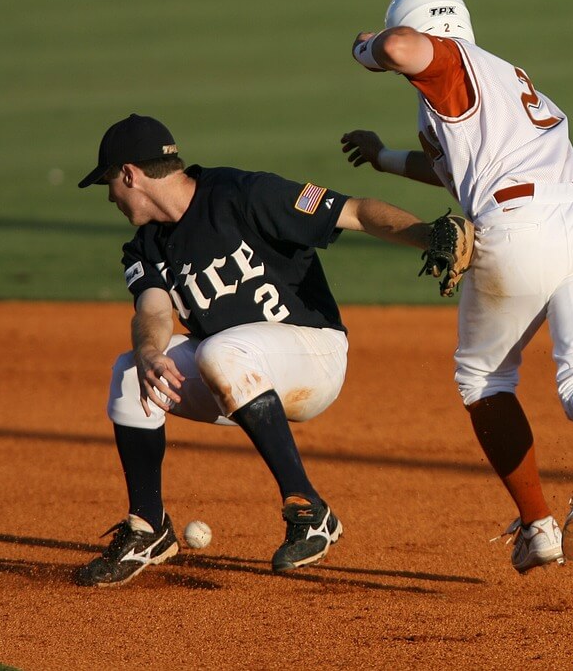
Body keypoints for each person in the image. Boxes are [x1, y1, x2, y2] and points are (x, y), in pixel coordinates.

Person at [74, 113, 445, 587]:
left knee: (220, 352)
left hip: (314, 354)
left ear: (130, 174)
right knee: (129, 372)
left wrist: (426, 235)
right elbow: (153, 309)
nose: (110, 196)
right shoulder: (145, 247)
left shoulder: (244, 192)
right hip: (238, 370)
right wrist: (149, 351)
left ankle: (309, 510)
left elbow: (352, 210)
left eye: (109, 182)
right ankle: (148, 527)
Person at [341, 0, 573, 574]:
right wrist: (383, 157)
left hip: (521, 224)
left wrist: (364, 47)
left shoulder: (448, 60)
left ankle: (539, 527)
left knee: (483, 380)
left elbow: (398, 47)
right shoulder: (499, 82)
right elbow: (452, 168)